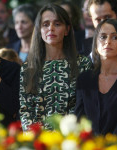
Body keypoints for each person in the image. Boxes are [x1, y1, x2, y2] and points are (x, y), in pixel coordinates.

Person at [19, 3, 92, 131]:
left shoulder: (83, 64)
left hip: (73, 138)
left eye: (57, 24)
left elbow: (86, 109)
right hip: (39, 141)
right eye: (45, 24)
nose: (51, 28)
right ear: (39, 30)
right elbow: (26, 111)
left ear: (67, 30)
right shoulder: (28, 68)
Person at [75, 19, 117, 135]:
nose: (108, 42)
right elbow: (78, 118)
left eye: (115, 37)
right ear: (95, 44)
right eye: (103, 37)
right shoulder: (84, 79)